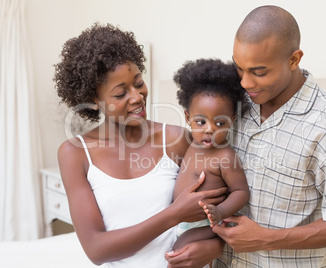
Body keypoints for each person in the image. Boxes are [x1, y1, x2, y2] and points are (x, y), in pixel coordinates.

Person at [168, 5, 326, 268]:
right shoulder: (233, 104)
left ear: (294, 59)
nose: (245, 82)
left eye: (259, 72)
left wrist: (268, 239)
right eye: (239, 68)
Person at [54, 23, 227, 267]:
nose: (137, 97)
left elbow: (217, 211)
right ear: (93, 100)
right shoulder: (75, 154)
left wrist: (215, 246)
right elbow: (96, 249)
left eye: (138, 82)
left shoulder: (178, 139)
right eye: (120, 93)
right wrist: (174, 214)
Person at [170, 59, 250, 251]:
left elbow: (241, 192)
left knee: (179, 250)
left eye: (220, 124)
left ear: (231, 121)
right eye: (201, 122)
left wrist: (220, 211)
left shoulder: (225, 156)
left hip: (206, 224)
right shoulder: (190, 144)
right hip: (179, 220)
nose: (209, 130)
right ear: (188, 117)